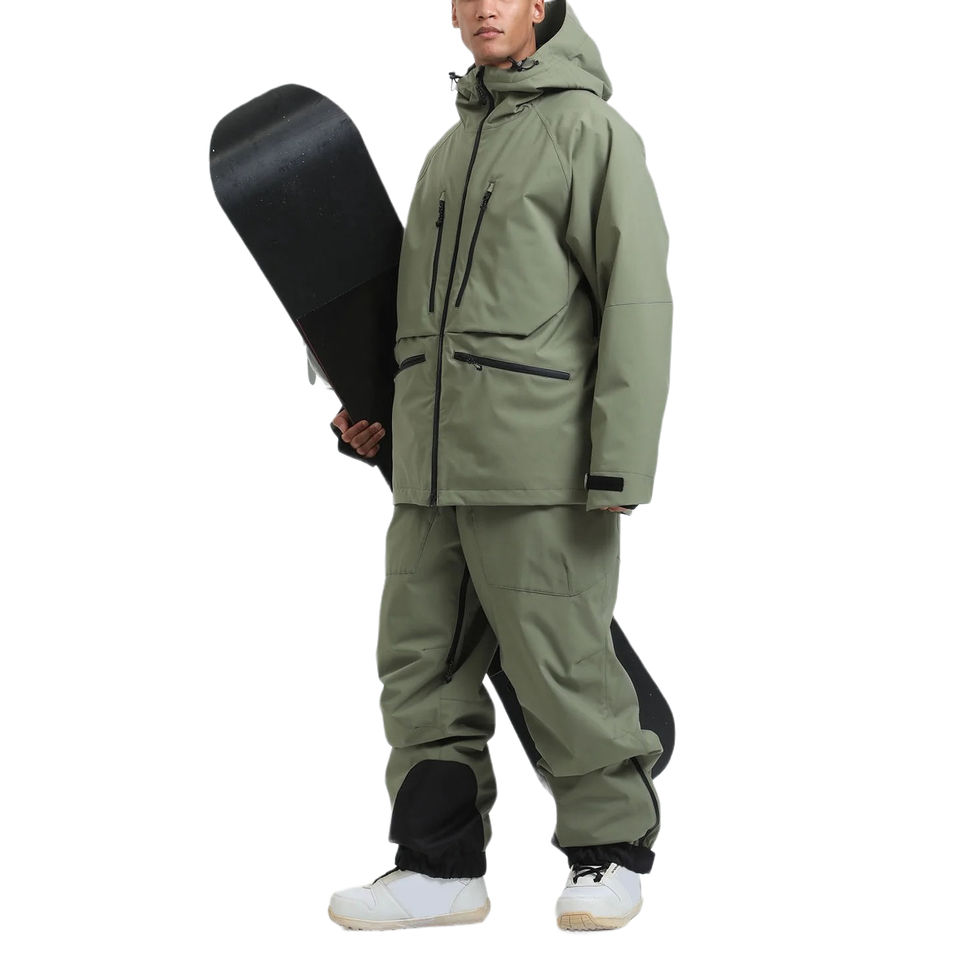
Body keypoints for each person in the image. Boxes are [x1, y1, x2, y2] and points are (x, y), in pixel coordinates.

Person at [325, 0, 672, 931]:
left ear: (541, 7)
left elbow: (637, 300)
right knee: (419, 668)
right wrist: (374, 416)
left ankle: (608, 853)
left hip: (538, 466)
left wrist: (619, 463)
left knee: (561, 662)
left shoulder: (590, 133)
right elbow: (412, 315)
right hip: (430, 471)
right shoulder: (445, 154)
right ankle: (440, 869)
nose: (485, 7)